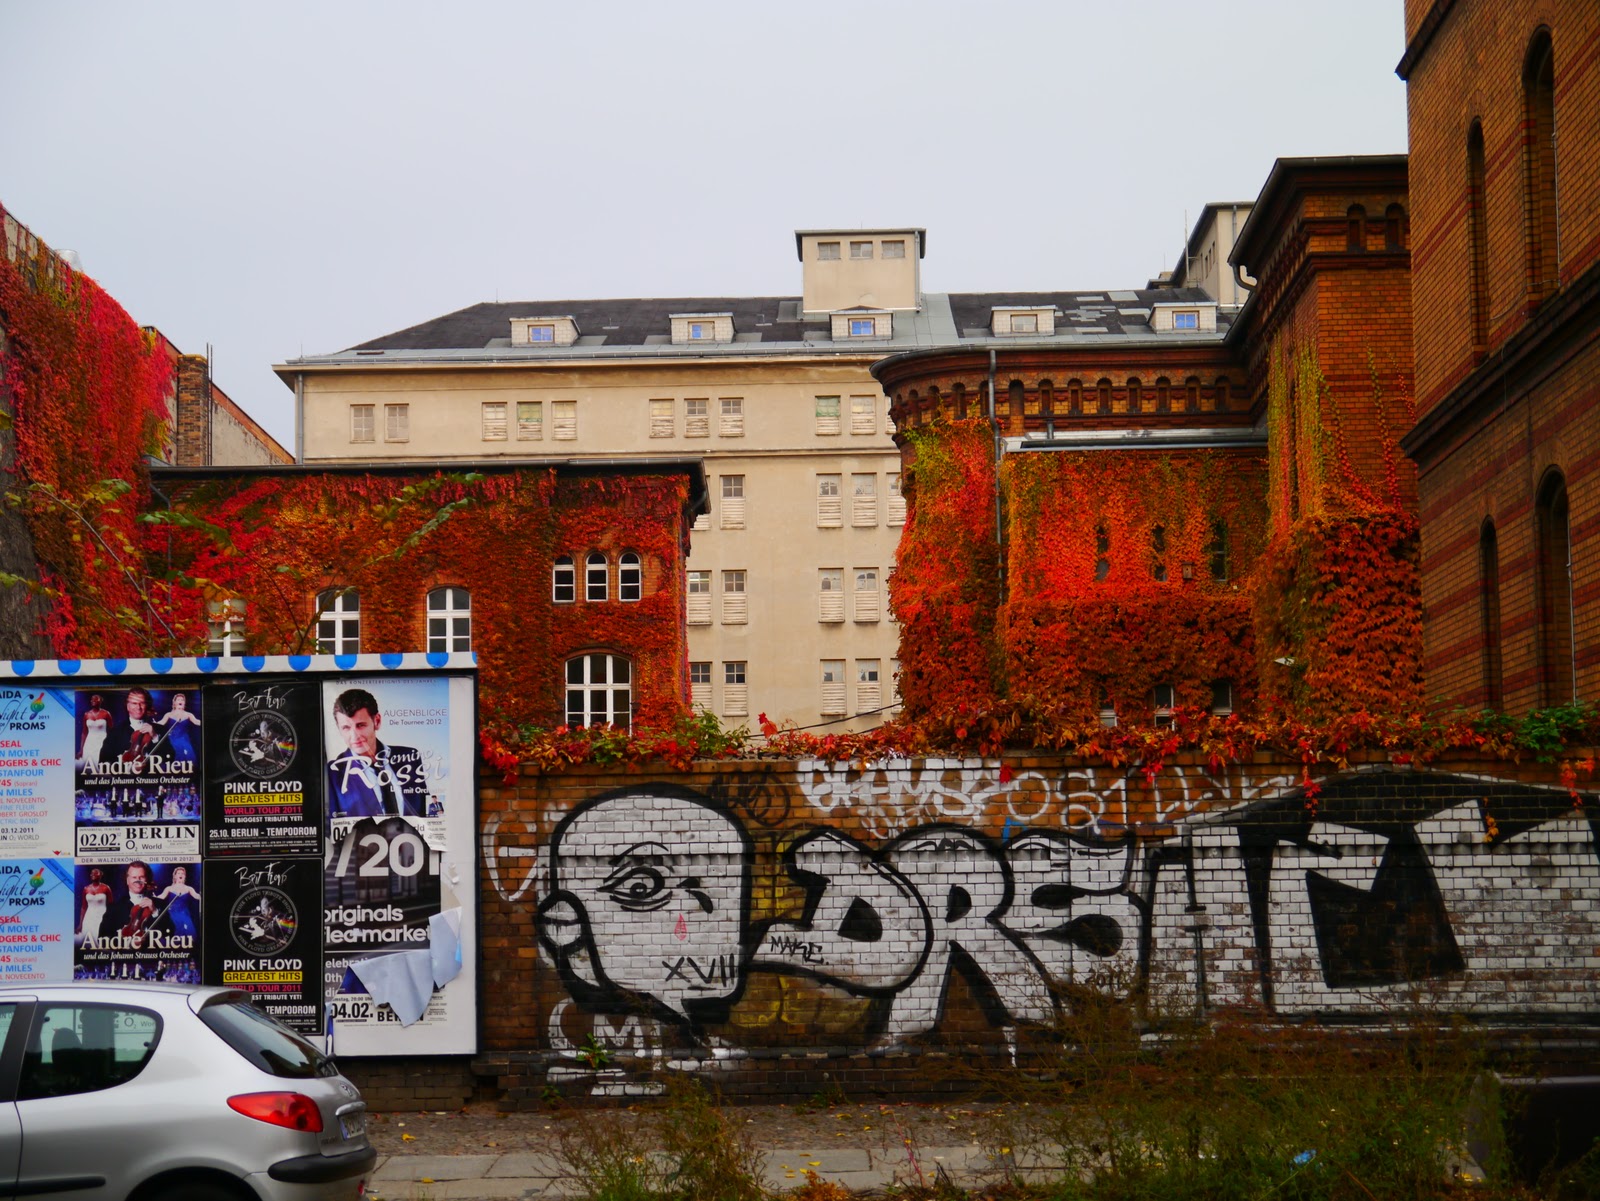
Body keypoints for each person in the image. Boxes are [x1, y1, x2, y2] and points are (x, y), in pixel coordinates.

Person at [325, 688, 429, 818]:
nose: (354, 736)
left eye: (360, 725)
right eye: (346, 728)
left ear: (377, 721)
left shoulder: (410, 757)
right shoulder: (333, 773)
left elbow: (424, 811)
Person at [97, 688, 157, 768]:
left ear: (147, 705)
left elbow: (170, 757)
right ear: (127, 706)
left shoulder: (159, 729)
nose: (138, 707)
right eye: (134, 703)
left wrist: (155, 737)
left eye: (142, 703)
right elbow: (103, 763)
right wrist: (127, 768)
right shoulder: (115, 732)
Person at [106, 860, 157, 944]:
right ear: (127, 880)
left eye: (141, 877)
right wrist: (127, 943)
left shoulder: (158, 904)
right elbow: (103, 937)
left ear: (146, 879)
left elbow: (170, 931)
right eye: (134, 877)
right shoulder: (114, 908)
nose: (138, 880)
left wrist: (154, 911)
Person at [154, 865, 201, 940]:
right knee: (174, 932)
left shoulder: (189, 888)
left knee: (190, 934)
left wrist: (203, 895)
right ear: (175, 876)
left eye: (182, 873)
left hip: (184, 914)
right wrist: (154, 897)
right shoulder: (169, 888)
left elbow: (196, 896)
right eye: (178, 873)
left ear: (185, 876)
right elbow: (161, 897)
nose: (181, 874)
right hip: (172, 914)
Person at [155, 692, 201, 762]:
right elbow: (161, 723)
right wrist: (153, 723)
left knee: (189, 758)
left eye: (182, 700)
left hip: (184, 740)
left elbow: (196, 721)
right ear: (175, 702)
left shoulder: (188, 714)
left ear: (184, 703)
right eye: (178, 699)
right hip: (172, 740)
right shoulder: (169, 714)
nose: (180, 701)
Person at [79, 867, 112, 942]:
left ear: (100, 875)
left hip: (102, 917)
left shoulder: (106, 888)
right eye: (92, 873)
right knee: (87, 941)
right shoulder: (86, 889)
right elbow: (83, 907)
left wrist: (109, 920)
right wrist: (80, 924)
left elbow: (111, 906)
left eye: (96, 873)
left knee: (100, 940)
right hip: (89, 918)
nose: (93, 874)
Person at [79, 694, 111, 766]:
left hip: (102, 742)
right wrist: (81, 749)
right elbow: (84, 733)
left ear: (101, 701)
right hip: (89, 743)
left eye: (96, 699)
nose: (93, 700)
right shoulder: (86, 714)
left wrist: (109, 744)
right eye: (92, 699)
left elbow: (112, 730)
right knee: (88, 764)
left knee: (100, 764)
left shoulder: (106, 714)